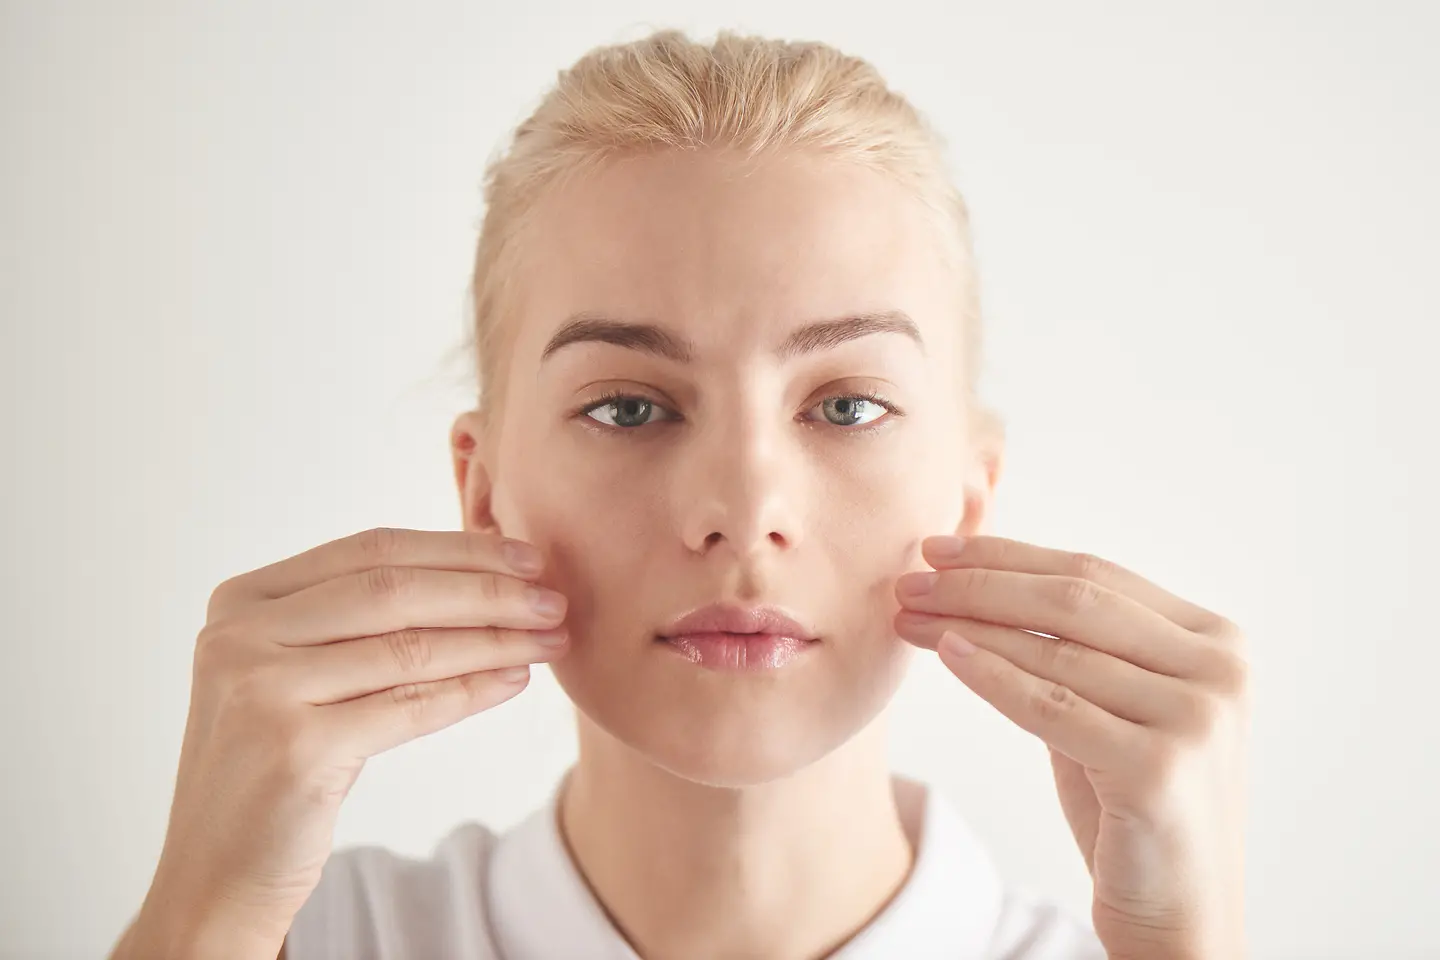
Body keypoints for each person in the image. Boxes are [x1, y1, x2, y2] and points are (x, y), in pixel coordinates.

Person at [108, 28, 1249, 960]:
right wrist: (200, 920)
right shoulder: (300, 943)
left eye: (845, 406)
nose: (743, 509)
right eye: (629, 408)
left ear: (969, 496)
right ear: (484, 489)